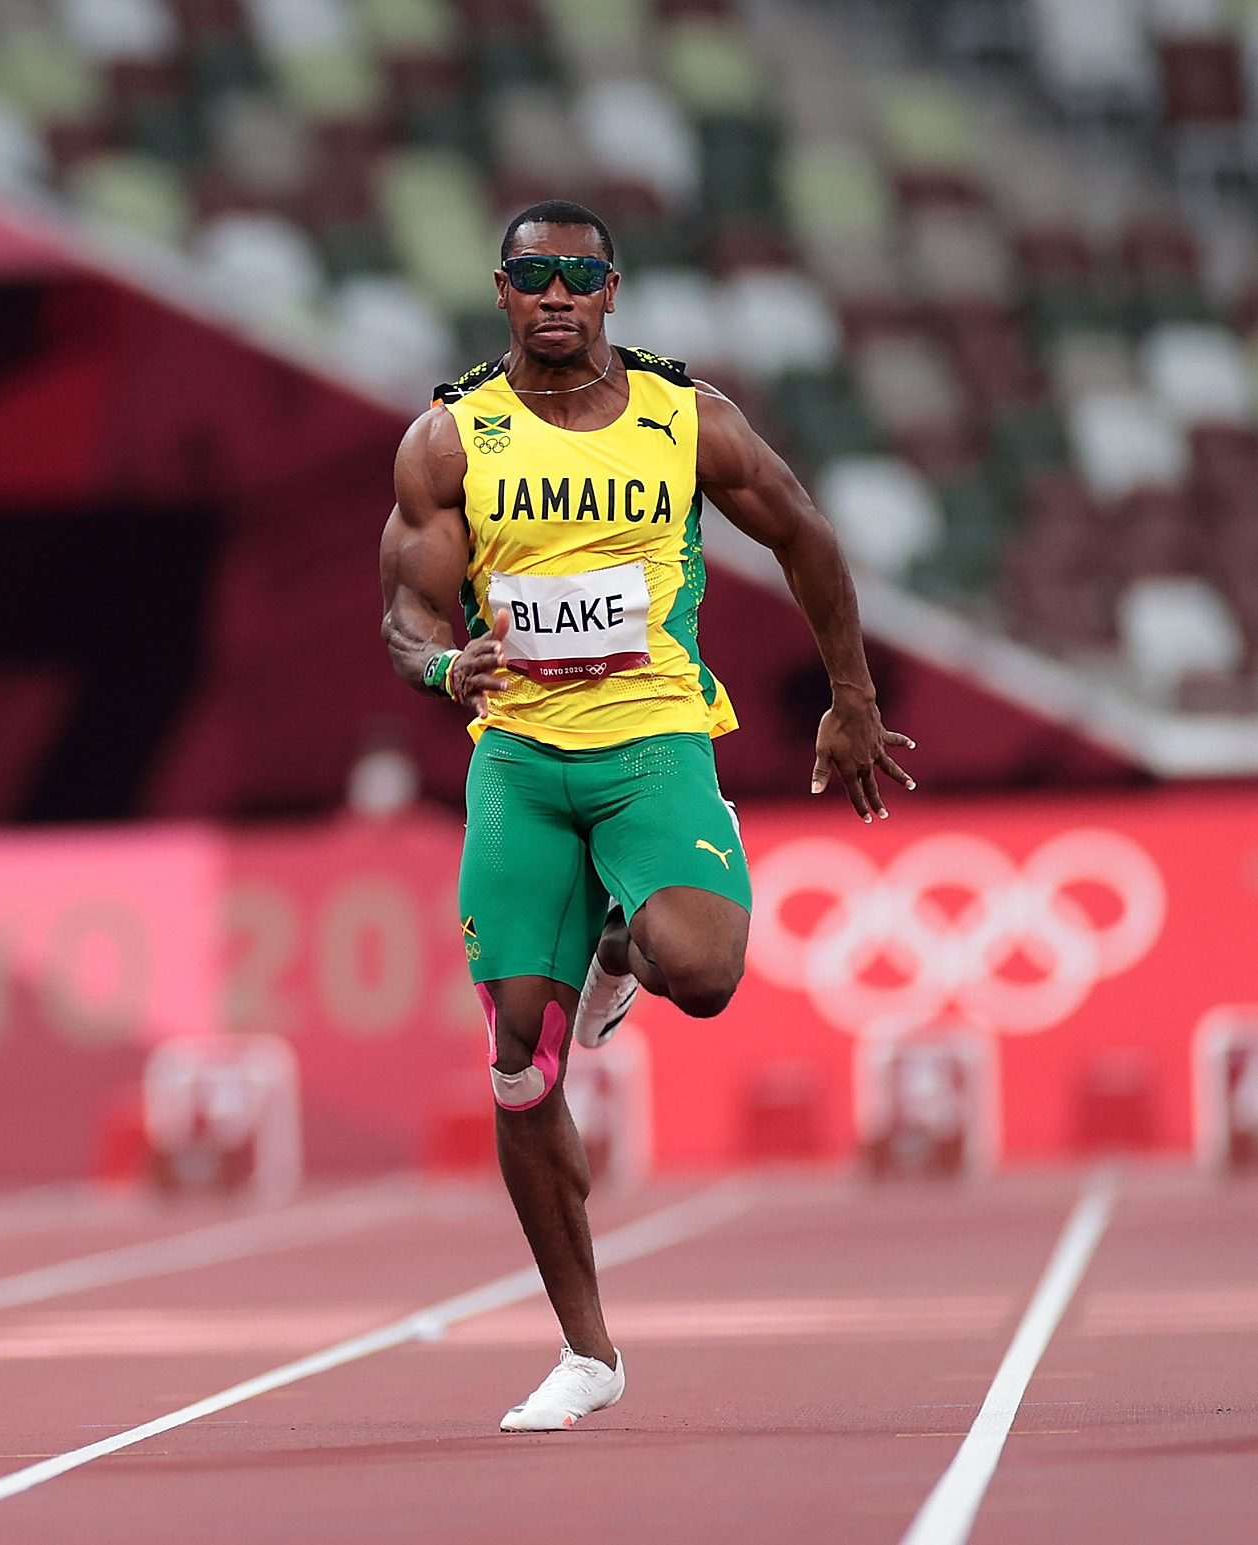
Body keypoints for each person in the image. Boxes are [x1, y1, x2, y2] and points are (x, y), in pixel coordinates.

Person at [378, 199, 914, 1432]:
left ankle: (622, 946)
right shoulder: (448, 440)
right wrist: (439, 669)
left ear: (611, 291)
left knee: (706, 971)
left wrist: (851, 699)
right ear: (501, 292)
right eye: (532, 276)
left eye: (578, 275)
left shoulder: (687, 419)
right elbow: (407, 613)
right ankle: (588, 1353)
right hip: (516, 760)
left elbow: (805, 534)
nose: (555, 294)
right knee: (518, 1060)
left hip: (654, 743)